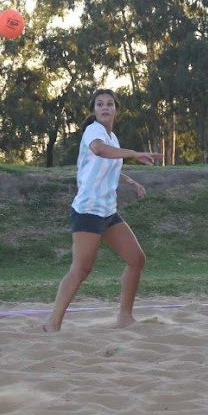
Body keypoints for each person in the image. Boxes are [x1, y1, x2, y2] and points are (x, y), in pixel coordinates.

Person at [43, 89, 161, 332]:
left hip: (107, 212)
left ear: (116, 109)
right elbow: (99, 151)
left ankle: (125, 317)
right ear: (94, 110)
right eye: (100, 104)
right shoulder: (94, 131)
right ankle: (52, 324)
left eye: (109, 104)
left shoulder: (112, 138)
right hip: (88, 211)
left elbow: (109, 165)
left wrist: (131, 182)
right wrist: (134, 153)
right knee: (81, 269)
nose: (105, 107)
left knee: (136, 259)